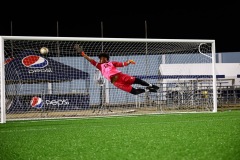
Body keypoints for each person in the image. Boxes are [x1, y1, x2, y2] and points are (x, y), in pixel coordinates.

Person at [74, 45, 159, 95]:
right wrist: (82, 53)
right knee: (134, 92)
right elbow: (89, 59)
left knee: (137, 81)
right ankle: (148, 89)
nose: (101, 59)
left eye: (102, 58)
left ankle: (150, 85)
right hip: (116, 82)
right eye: (100, 58)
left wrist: (128, 61)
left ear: (106, 59)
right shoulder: (99, 65)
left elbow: (122, 64)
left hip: (121, 76)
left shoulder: (112, 63)